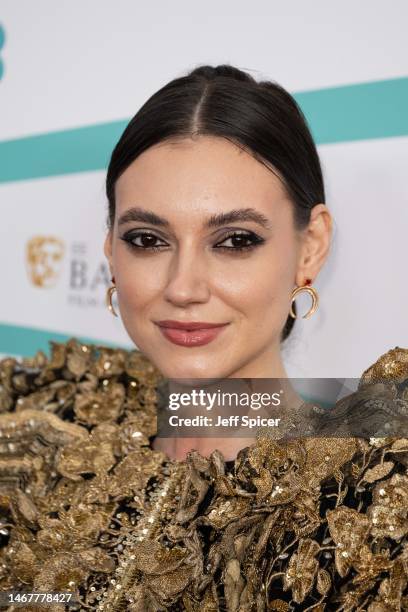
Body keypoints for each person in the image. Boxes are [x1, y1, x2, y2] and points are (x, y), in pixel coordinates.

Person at [1, 64, 407, 611]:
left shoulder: (370, 504)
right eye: (147, 239)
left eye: (235, 240)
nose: (183, 288)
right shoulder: (41, 423)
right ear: (110, 252)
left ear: (310, 247)